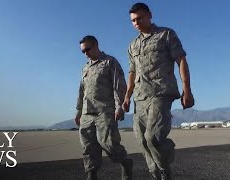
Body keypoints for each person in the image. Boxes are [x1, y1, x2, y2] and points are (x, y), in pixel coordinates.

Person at [123, 3, 195, 180]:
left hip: (161, 92)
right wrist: (127, 96)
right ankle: (156, 173)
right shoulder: (133, 45)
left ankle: (164, 166)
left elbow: (181, 60)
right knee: (142, 141)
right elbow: (132, 72)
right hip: (139, 97)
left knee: (153, 137)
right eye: (133, 20)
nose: (136, 23)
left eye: (139, 18)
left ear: (149, 15)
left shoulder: (166, 34)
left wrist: (187, 89)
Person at [75, 35, 133, 180]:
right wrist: (78, 111)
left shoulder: (109, 62)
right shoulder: (85, 68)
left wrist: (119, 106)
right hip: (87, 113)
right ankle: (91, 174)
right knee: (88, 148)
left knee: (109, 145)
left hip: (105, 111)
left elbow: (118, 85)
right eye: (83, 51)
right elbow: (81, 91)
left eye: (87, 49)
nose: (85, 53)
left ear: (96, 45)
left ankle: (126, 163)